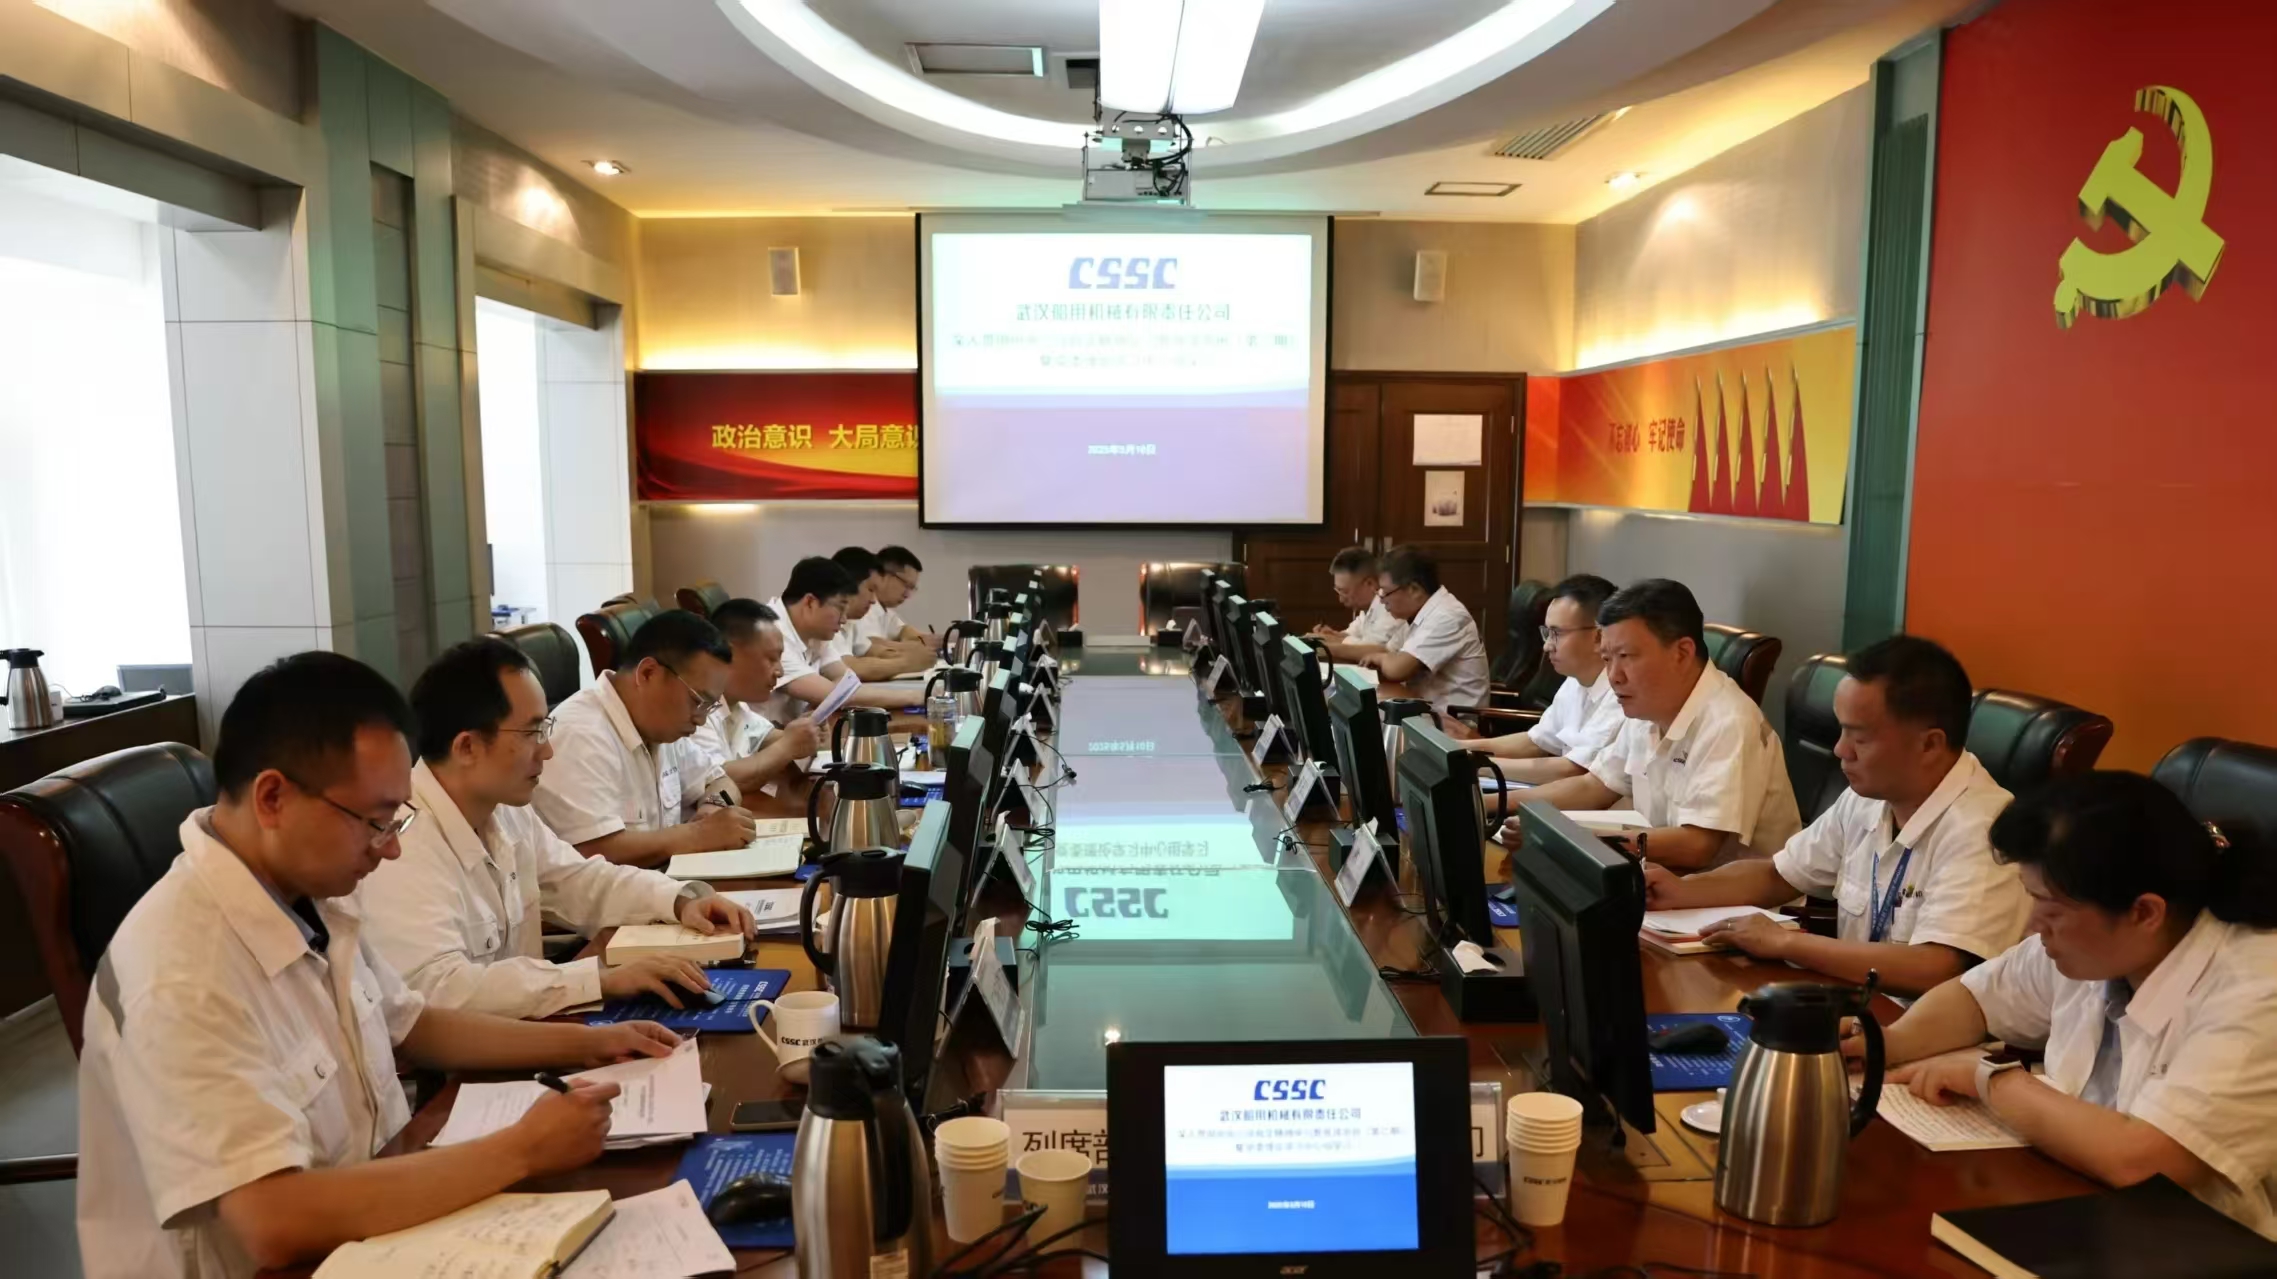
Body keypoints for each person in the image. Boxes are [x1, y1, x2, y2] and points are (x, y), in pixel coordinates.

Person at [76, 652, 679, 1278]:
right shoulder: (181, 973)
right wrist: (520, 1151)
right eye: (375, 822)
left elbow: (411, 1023)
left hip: (382, 1215)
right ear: (273, 798)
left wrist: (590, 1043)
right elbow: (271, 1220)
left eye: (396, 821)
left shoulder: (307, 893)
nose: (390, 850)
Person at [1857, 772, 2277, 1238]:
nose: (2033, 925)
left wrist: (1990, 1078)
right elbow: (1976, 998)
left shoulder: (2258, 991)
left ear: (2144, 912)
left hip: (2209, 1243)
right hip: (2080, 1205)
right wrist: (1889, 1042)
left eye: (2050, 907)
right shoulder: (2098, 939)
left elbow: (2141, 1160)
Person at [361, 637, 759, 1020]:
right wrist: (595, 980)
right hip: (483, 1057)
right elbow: (441, 992)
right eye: (532, 732)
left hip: (532, 1028)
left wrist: (679, 900)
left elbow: (576, 879)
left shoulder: (504, 809)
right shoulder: (402, 845)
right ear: (467, 747)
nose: (548, 750)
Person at [1639, 635, 2026, 994]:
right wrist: (1682, 890)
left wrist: (1787, 943)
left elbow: (1937, 968)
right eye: (1841, 731)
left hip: (1930, 1032)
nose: (1841, 750)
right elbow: (1779, 875)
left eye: (1859, 738)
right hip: (1854, 1009)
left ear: (1930, 745)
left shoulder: (1985, 830)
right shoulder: (1869, 798)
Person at [1516, 578, 1801, 868]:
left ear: (1682, 653)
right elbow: (1595, 785)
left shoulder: (1729, 722)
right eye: (1607, 659)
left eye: (1625, 656)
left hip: (1725, 892)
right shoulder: (1648, 704)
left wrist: (1574, 838)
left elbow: (1697, 846)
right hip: (1659, 875)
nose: (1614, 676)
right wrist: (1499, 803)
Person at [530, 609, 759, 868]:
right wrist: (698, 835)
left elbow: (719, 780)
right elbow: (594, 852)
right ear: (648, 673)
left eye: (709, 707)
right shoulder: (580, 735)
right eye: (697, 701)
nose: (701, 719)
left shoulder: (661, 725)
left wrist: (713, 808)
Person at [1466, 574, 1624, 787]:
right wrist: (1456, 748)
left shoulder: (1622, 692)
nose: (1547, 645)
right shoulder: (1574, 680)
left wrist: (1473, 764)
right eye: (1546, 633)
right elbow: (1536, 741)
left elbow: (1573, 770)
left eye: (1557, 633)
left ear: (1599, 636)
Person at [683, 598, 822, 803]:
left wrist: (806, 732)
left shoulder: (737, 703)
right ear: (730, 654)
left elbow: (767, 736)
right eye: (771, 658)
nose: (780, 671)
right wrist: (788, 746)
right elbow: (718, 778)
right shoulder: (695, 706)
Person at [763, 555, 928, 723]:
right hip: (766, 737)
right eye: (840, 609)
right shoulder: (770, 633)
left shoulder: (815, 632)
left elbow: (848, 684)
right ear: (810, 602)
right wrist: (918, 697)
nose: (843, 619)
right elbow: (835, 695)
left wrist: (831, 696)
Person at [1358, 545, 1490, 716]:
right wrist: (1384, 657)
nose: (1381, 600)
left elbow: (1397, 669)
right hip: (1426, 711)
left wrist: (1381, 658)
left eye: (1386, 592)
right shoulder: (1418, 613)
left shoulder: (1446, 616)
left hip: (1455, 722)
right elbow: (1390, 652)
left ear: (1414, 590)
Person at [829, 546, 933, 678]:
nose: (873, 600)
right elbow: (850, 669)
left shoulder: (849, 621)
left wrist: (916, 654)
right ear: (848, 587)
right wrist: (907, 662)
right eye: (871, 590)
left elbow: (873, 650)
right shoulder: (827, 621)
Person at [1307, 546, 1409, 661]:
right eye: (1338, 591)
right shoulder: (1366, 608)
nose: (1341, 599)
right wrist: (1331, 636)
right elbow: (1352, 635)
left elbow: (1375, 649)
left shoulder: (1390, 605)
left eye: (1345, 592)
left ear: (1370, 584)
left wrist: (1329, 643)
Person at [864, 544, 940, 652]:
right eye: (906, 585)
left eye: (912, 588)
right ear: (883, 575)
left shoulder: (883, 609)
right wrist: (919, 645)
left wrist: (926, 639)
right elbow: (870, 646)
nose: (907, 595)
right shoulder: (864, 608)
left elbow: (903, 629)